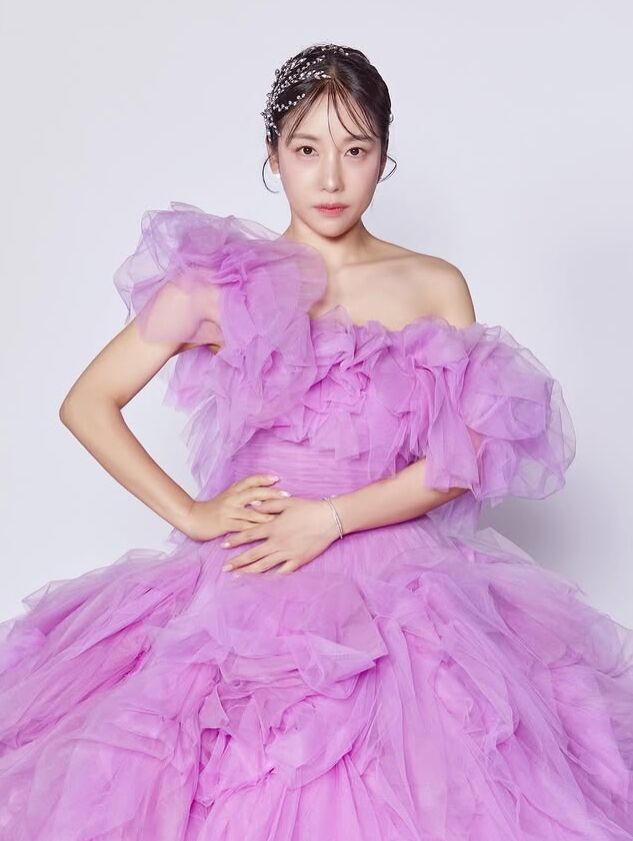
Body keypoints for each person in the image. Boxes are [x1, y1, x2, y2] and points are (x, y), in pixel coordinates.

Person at [0, 41, 631, 841]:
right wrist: (193, 513)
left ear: (383, 156)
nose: (330, 178)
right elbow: (89, 401)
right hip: (251, 573)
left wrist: (328, 519)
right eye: (306, 150)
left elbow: (461, 458)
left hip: (398, 576)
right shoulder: (220, 284)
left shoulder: (431, 284)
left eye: (355, 150)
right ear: (273, 156)